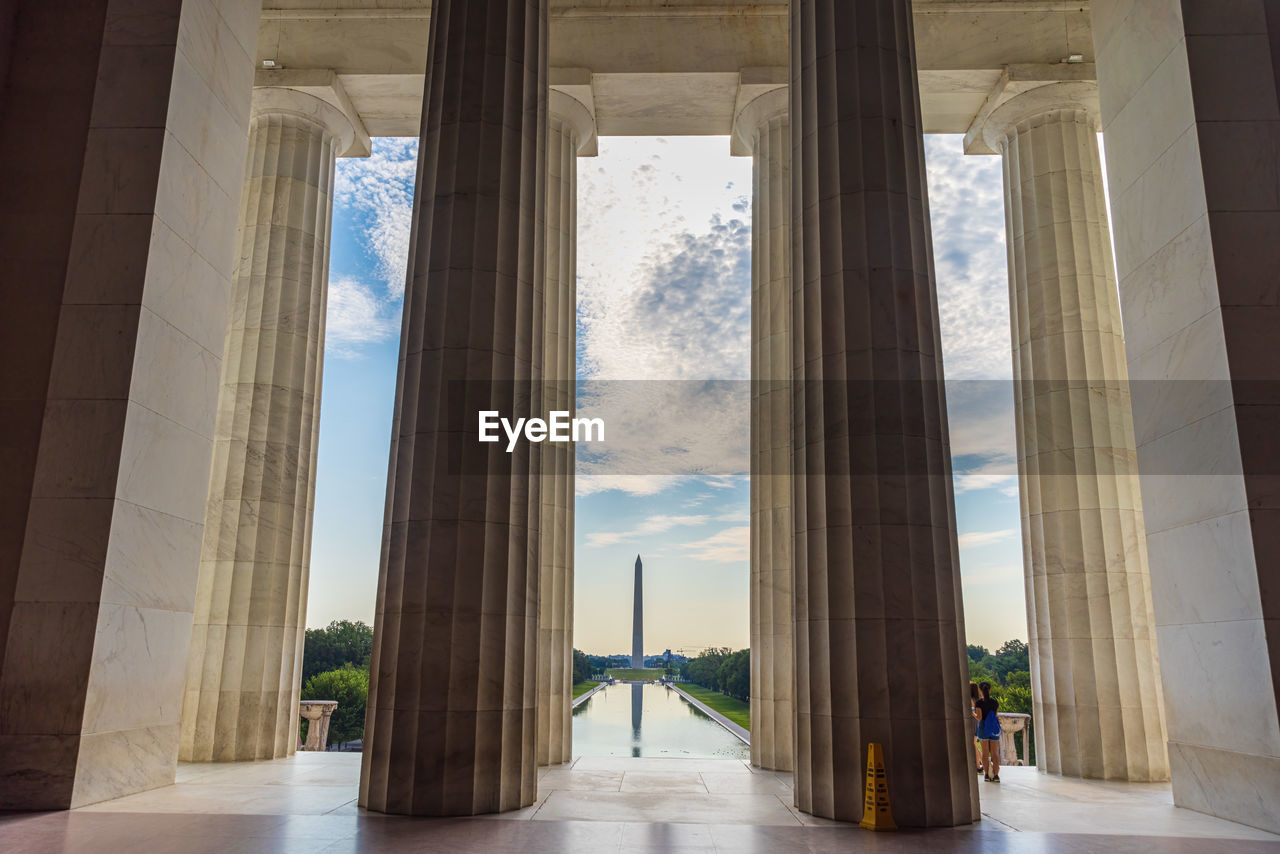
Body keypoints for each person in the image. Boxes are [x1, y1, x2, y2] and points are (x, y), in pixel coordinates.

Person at [975, 681, 1001, 782]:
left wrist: (973, 714)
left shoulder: (979, 703)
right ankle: (996, 776)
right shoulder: (995, 702)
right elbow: (995, 715)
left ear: (980, 690)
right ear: (990, 690)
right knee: (994, 753)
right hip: (994, 729)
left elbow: (980, 717)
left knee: (985, 753)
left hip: (983, 728)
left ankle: (986, 775)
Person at [970, 682, 984, 774]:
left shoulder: (970, 699)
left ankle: (978, 767)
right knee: (974, 744)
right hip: (978, 723)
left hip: (973, 722)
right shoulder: (977, 700)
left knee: (973, 745)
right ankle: (985, 763)